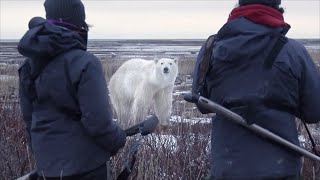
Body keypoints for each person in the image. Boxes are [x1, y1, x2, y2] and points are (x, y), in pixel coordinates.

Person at [192, 0, 320, 179]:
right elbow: (314, 112)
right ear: (277, 8)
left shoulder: (211, 48)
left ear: (239, 6)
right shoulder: (293, 51)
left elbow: (201, 103)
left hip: (227, 168)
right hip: (281, 169)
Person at [17, 0, 126, 179]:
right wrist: (119, 139)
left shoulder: (28, 67)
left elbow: (30, 122)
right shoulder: (86, 63)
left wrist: (46, 161)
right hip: (87, 169)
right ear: (79, 23)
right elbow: (99, 124)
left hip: (48, 170)